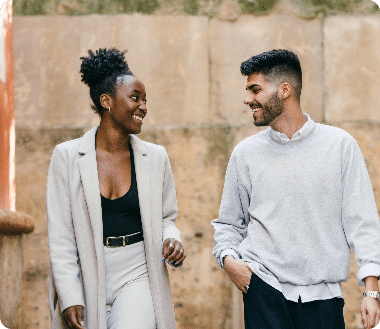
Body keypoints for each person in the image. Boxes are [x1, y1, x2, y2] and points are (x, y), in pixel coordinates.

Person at [212, 49, 380, 329]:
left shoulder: (340, 146)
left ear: (284, 90)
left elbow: (362, 223)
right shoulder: (245, 154)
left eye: (255, 89)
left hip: (323, 298)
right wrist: (230, 262)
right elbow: (229, 223)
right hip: (262, 291)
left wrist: (371, 291)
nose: (247, 99)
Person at [47, 48, 186, 329]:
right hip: (88, 269)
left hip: (138, 270)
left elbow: (166, 217)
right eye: (135, 97)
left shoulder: (156, 157)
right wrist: (69, 294)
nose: (143, 106)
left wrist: (172, 239)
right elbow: (61, 234)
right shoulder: (67, 157)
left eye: (145, 100)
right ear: (106, 101)